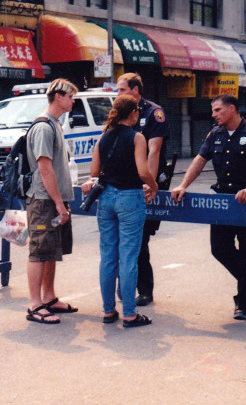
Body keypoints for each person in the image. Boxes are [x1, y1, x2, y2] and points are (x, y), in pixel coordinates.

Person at [171, 94, 246, 320]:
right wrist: (182, 185)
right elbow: (199, 161)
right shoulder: (215, 134)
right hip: (222, 200)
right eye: (213, 110)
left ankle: (243, 304)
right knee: (219, 248)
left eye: (218, 110)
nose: (213, 114)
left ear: (232, 109)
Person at [82, 95, 158, 327]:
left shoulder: (103, 137)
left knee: (108, 257)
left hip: (105, 198)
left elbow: (95, 170)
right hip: (129, 198)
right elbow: (143, 171)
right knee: (128, 258)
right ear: (133, 113)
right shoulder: (137, 137)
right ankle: (129, 314)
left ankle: (108, 311)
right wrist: (153, 186)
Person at [24, 79, 79, 324]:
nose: (73, 100)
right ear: (58, 96)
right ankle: (35, 304)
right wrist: (58, 202)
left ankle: (49, 297)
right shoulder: (44, 127)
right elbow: (45, 168)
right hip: (44, 199)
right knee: (39, 250)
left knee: (51, 250)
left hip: (54, 199)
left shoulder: (56, 124)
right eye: (70, 96)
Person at [116, 72, 169, 306]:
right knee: (121, 237)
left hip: (145, 181)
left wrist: (148, 183)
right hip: (124, 182)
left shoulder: (153, 113)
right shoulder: (120, 112)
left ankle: (145, 289)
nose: (117, 94)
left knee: (140, 239)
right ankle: (125, 280)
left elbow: (154, 151)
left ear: (136, 90)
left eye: (121, 90)